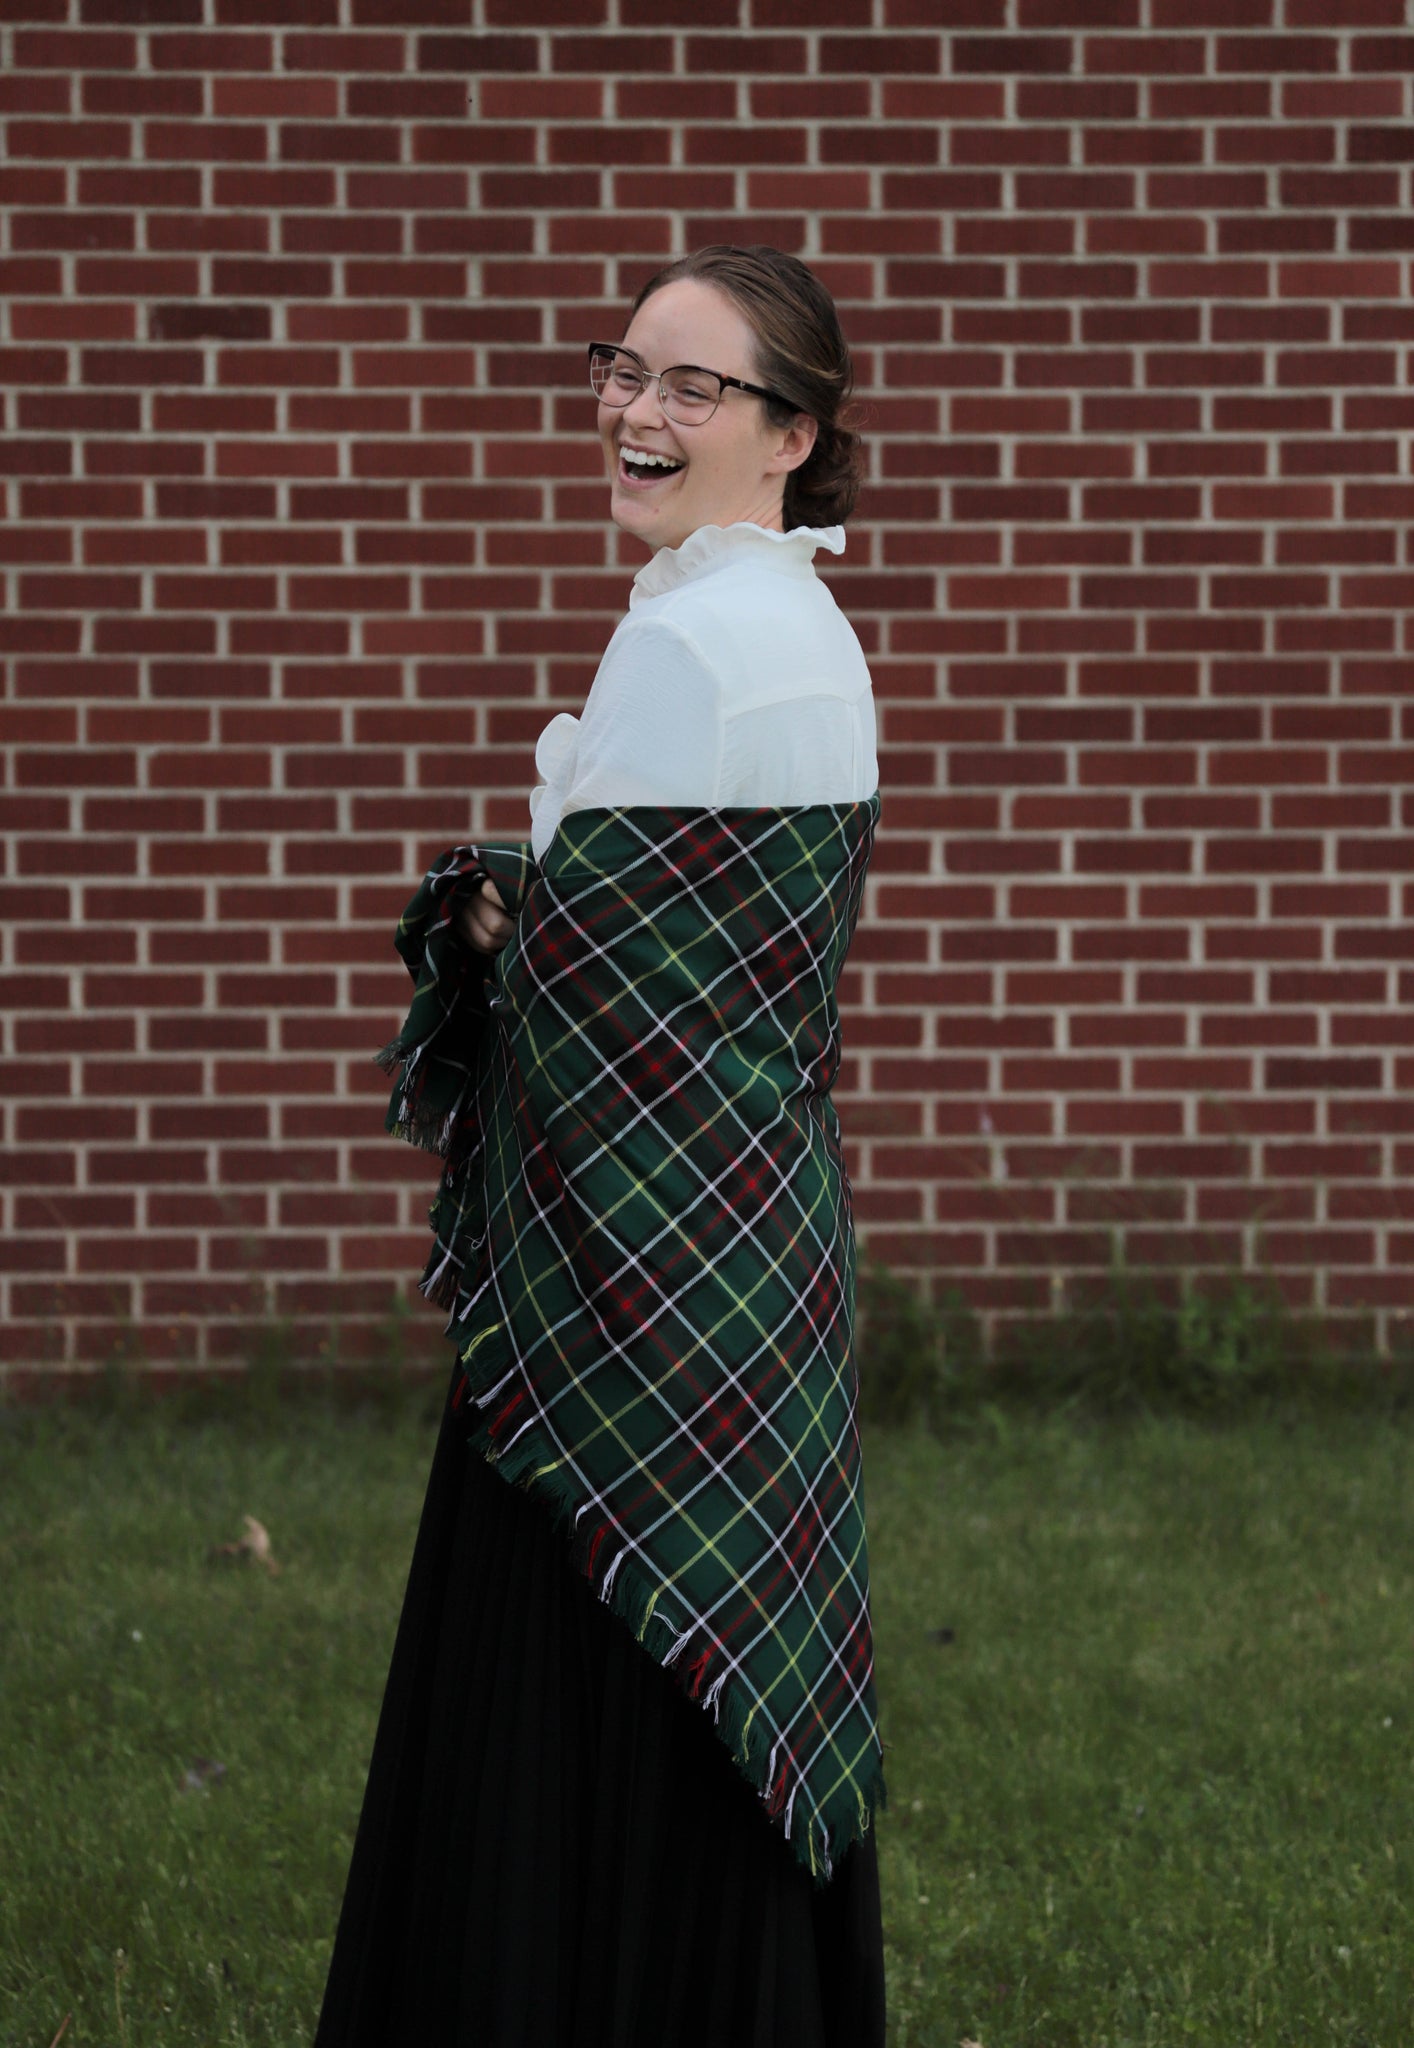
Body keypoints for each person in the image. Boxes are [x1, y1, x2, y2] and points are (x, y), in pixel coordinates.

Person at [313, 244, 886, 2048]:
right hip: (757, 1244)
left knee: (586, 1692)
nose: (637, 410)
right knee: (717, 1689)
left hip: (622, 1285)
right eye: (622, 370)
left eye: (691, 386)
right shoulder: (805, 627)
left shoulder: (691, 639)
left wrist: (492, 921)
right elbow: (691, 965)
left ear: (791, 433)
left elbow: (598, 1000)